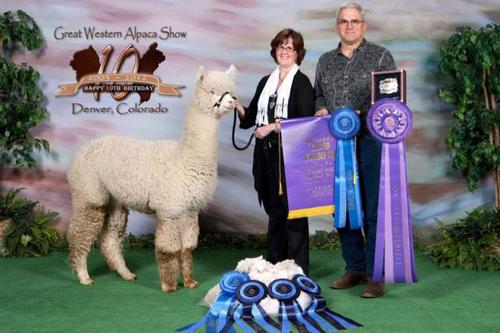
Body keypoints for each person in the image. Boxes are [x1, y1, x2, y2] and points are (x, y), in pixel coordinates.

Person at [314, 3, 396, 298]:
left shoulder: (381, 55)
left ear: (364, 25)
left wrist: (363, 114)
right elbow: (318, 93)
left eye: (355, 21)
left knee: (373, 209)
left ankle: (376, 275)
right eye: (344, 21)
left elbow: (392, 97)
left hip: (372, 141)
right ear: (337, 25)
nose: (349, 26)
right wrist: (321, 107)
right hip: (336, 143)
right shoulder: (324, 60)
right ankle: (354, 267)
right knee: (345, 207)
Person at [235, 28, 315, 275]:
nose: (285, 51)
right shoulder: (265, 82)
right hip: (265, 155)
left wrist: (272, 127)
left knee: (294, 211)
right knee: (274, 210)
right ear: (275, 50)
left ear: (298, 53)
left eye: (290, 47)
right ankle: (276, 263)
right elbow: (249, 120)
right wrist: (234, 103)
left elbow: (305, 121)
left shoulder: (301, 83)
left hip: (289, 156)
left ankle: (299, 268)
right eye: (281, 46)